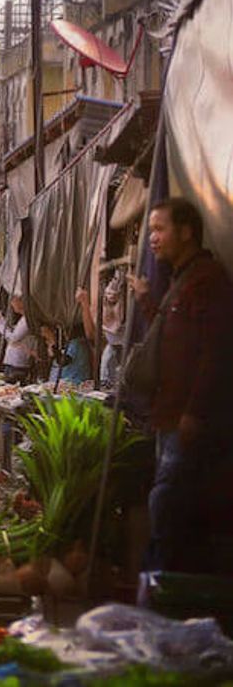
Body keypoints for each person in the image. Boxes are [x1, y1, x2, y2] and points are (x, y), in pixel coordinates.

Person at [131, 198, 233, 573]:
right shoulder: (181, 280)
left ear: (187, 232)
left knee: (166, 503)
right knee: (166, 503)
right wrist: (145, 302)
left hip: (185, 421)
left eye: (159, 229)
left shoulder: (207, 280)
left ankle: (162, 589)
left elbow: (215, 353)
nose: (152, 239)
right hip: (168, 416)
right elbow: (169, 337)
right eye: (151, 230)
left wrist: (195, 411)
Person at [0, 295, 35, 383]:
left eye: (13, 300)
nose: (11, 303)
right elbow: (11, 334)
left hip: (17, 364)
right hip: (14, 363)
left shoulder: (26, 321)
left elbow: (12, 338)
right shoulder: (24, 319)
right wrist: (1, 318)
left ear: (21, 302)